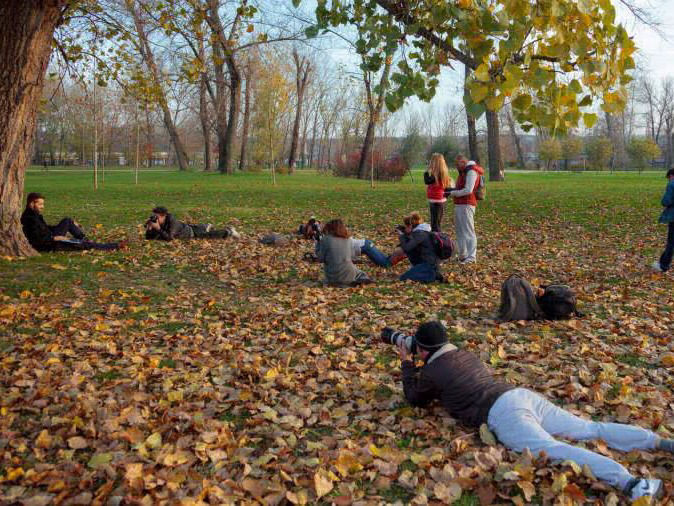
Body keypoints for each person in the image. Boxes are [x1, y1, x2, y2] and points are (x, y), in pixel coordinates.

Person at [395, 320, 668, 502]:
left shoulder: (431, 370)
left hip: (501, 415)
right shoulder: (464, 354)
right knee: (589, 429)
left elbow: (414, 399)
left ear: (421, 349)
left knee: (553, 449)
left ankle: (631, 484)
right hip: (518, 395)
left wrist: (406, 364)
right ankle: (660, 442)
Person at [20, 192, 125, 252]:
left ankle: (83, 238)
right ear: (31, 204)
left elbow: (44, 228)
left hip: (51, 237)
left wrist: (56, 229)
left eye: (43, 204)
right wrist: (55, 237)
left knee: (67, 221)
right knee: (83, 245)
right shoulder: (29, 219)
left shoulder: (34, 215)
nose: (43, 207)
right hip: (50, 244)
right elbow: (36, 239)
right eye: (40, 204)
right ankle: (114, 246)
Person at [447, 155, 484, 264]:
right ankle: (463, 254)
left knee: (468, 231)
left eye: (458, 164)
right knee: (460, 231)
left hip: (467, 204)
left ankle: (471, 257)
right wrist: (451, 190)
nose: (456, 167)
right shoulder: (464, 172)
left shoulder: (471, 172)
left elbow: (468, 190)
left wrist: (453, 193)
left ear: (463, 162)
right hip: (459, 204)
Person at [315, 219, 372, 287]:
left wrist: (318, 243)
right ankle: (361, 279)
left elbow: (320, 258)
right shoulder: (348, 239)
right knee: (357, 271)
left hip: (332, 276)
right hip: (349, 273)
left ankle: (347, 282)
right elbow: (352, 256)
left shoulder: (326, 239)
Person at [145, 206, 240, 241]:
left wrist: (157, 228)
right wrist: (149, 229)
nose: (155, 218)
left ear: (163, 215)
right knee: (200, 230)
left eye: (157, 216)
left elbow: (169, 238)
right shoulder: (157, 222)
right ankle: (205, 226)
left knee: (208, 236)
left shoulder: (172, 221)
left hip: (190, 233)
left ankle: (229, 231)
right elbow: (149, 238)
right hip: (188, 228)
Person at [398, 212, 443, 283]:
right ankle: (427, 273)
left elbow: (407, 247)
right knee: (406, 276)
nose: (405, 227)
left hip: (430, 264)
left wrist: (401, 235)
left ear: (411, 226)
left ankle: (433, 276)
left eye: (406, 226)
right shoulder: (422, 231)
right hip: (427, 262)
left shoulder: (420, 234)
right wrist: (405, 233)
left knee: (403, 278)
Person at [424, 153, 454, 232]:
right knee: (436, 222)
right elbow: (448, 187)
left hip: (435, 200)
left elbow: (427, 181)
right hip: (439, 200)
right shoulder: (443, 173)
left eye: (432, 161)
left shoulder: (437, 174)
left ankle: (437, 240)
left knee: (435, 223)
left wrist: (426, 171)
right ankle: (436, 238)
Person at [651, 168, 674, 273]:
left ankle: (663, 265)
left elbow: (666, 201)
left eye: (669, 178)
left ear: (671, 176)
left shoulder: (672, 185)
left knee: (671, 243)